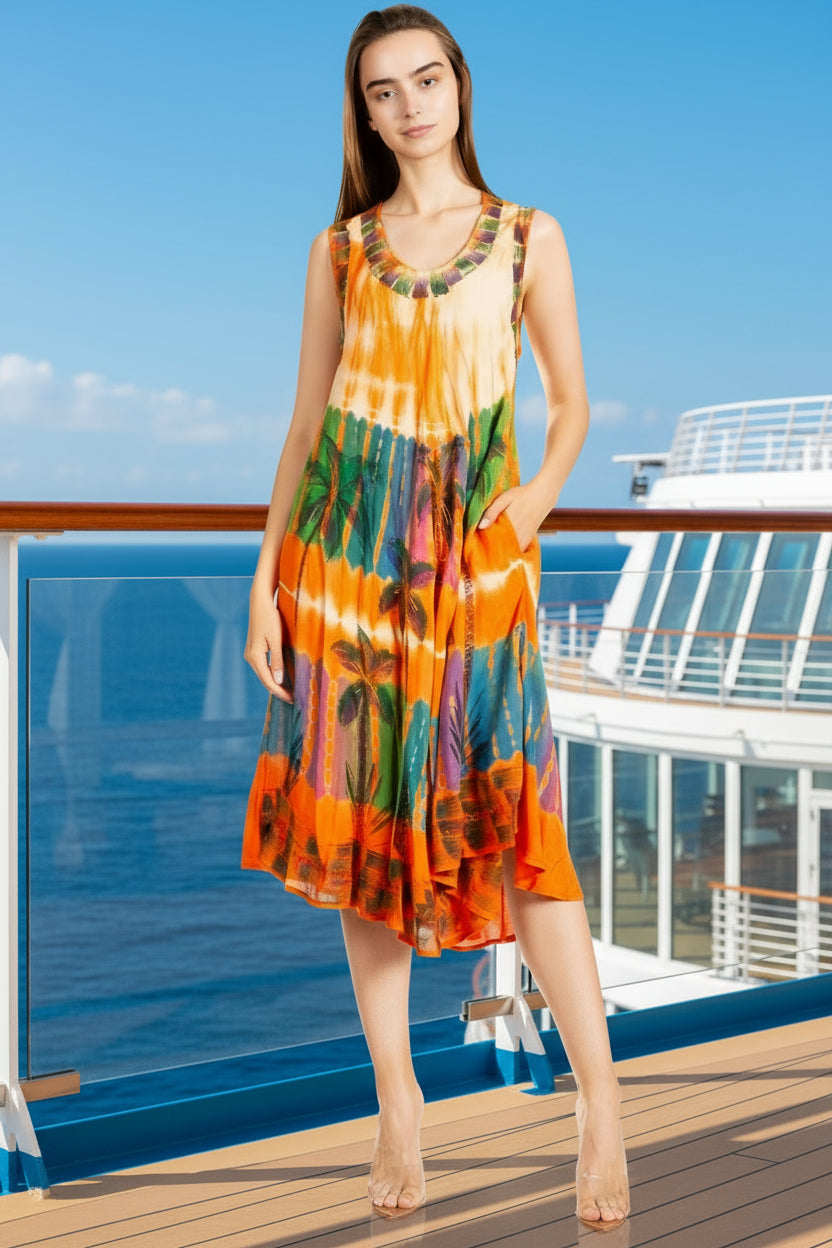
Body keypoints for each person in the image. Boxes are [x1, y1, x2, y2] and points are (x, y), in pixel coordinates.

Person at [243, 3, 630, 1231]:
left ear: (458, 87)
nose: (409, 105)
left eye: (425, 80)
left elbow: (570, 408)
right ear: (362, 112)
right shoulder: (339, 250)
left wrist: (526, 509)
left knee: (524, 839)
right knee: (364, 841)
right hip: (349, 573)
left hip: (479, 568)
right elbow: (306, 427)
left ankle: (601, 1109)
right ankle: (398, 1101)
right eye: (381, 91)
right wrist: (266, 580)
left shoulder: (526, 235)